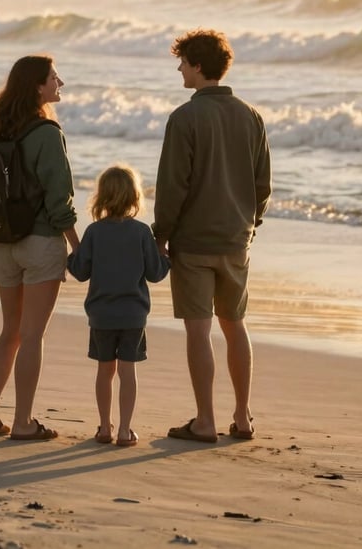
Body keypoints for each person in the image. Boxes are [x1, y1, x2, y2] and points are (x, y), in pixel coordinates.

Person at [153, 29, 271, 444]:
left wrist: (160, 234)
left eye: (183, 62)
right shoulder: (251, 116)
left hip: (193, 242)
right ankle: (242, 416)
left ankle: (204, 419)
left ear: (198, 66)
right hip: (236, 239)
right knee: (235, 325)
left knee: (199, 331)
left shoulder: (184, 118)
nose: (179, 69)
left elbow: (173, 186)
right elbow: (263, 185)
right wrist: (249, 225)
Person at [0, 55, 79, 442]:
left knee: (10, 332)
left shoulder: (1, 129)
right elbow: (59, 200)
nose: (60, 82)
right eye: (54, 77)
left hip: (4, 243)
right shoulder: (47, 133)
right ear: (38, 86)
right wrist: (77, 247)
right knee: (32, 335)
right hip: (39, 245)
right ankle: (22, 422)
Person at [67, 164, 169, 447]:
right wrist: (164, 252)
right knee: (128, 372)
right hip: (133, 315)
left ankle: (103, 427)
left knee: (104, 370)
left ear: (101, 198)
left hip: (101, 315)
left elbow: (80, 272)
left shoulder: (94, 232)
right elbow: (155, 273)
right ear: (135, 198)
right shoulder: (141, 233)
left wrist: (70, 255)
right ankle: (124, 430)